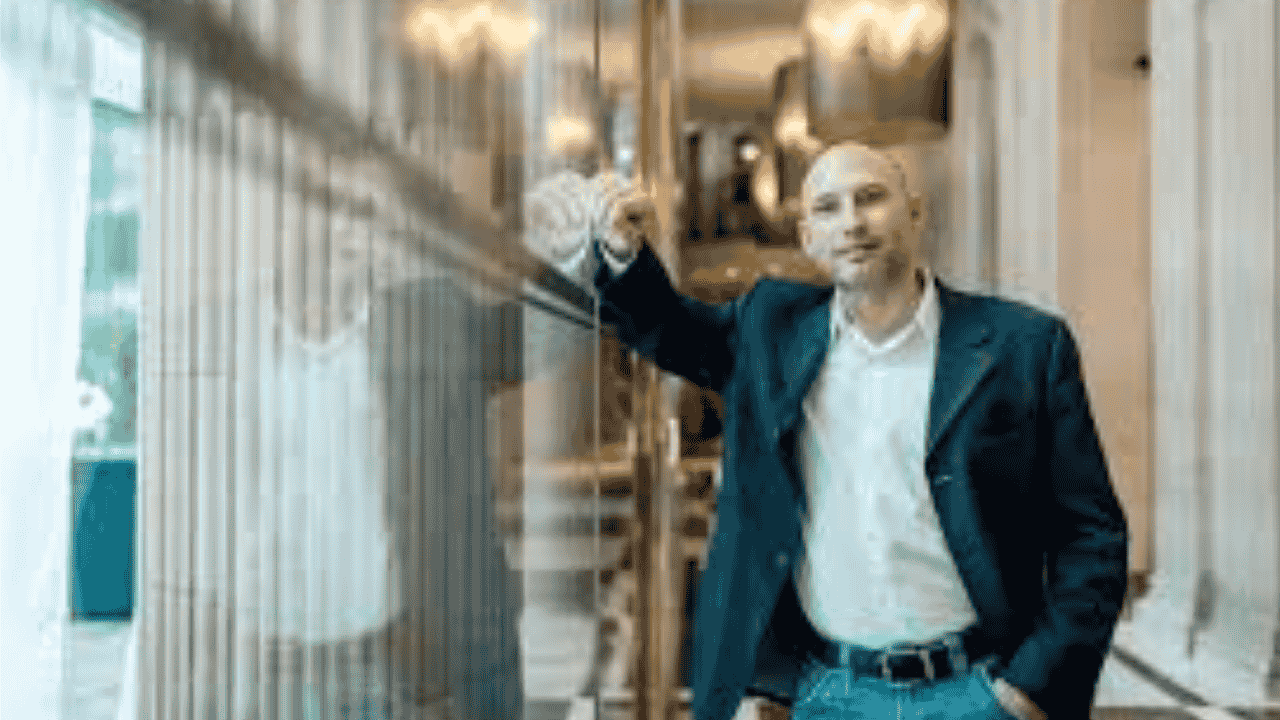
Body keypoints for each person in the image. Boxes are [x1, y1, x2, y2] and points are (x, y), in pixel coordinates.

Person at [524, 142, 1128, 720]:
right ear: (808, 238)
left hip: (977, 691)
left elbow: (1091, 535)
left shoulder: (1024, 347)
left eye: (871, 198)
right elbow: (674, 330)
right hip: (830, 694)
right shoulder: (773, 329)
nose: (852, 222)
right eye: (827, 208)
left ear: (915, 214)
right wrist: (621, 254)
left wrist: (1028, 690)